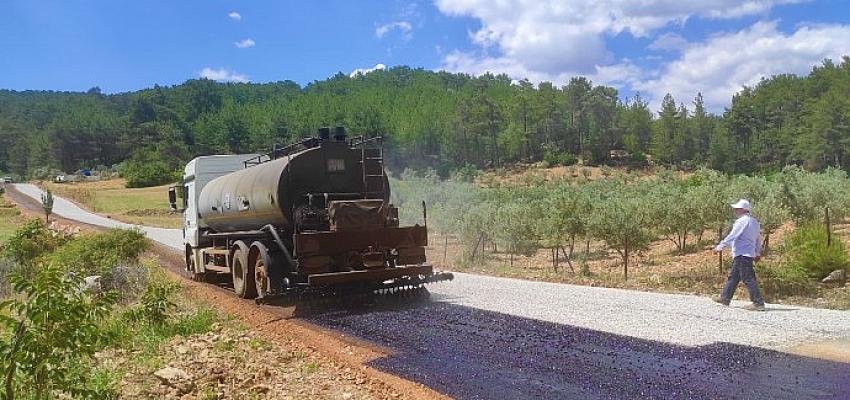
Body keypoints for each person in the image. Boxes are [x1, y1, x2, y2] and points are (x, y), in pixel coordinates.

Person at [713, 199, 766, 311]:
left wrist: (720, 246)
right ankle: (725, 298)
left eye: (737, 209)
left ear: (742, 210)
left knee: (748, 278)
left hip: (742, 253)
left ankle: (758, 303)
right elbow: (757, 239)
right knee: (734, 276)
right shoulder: (755, 222)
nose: (735, 211)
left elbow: (733, 235)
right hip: (746, 254)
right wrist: (757, 252)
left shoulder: (741, 221)